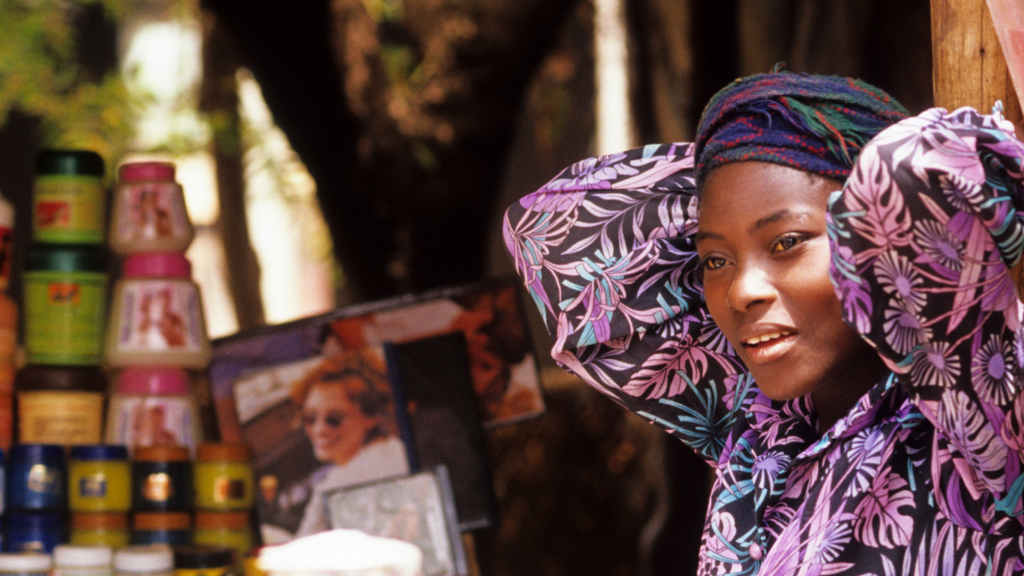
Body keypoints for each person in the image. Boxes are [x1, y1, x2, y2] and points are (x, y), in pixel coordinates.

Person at [503, 71, 1024, 573]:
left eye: (787, 243)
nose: (741, 291)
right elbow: (554, 240)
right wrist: (729, 162)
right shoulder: (757, 439)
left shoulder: (976, 429)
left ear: (874, 238)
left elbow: (904, 167)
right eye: (714, 260)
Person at [291, 348, 410, 538]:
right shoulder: (396, 448)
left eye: (334, 419)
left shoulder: (334, 486)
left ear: (371, 416)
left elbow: (296, 556)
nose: (318, 430)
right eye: (310, 418)